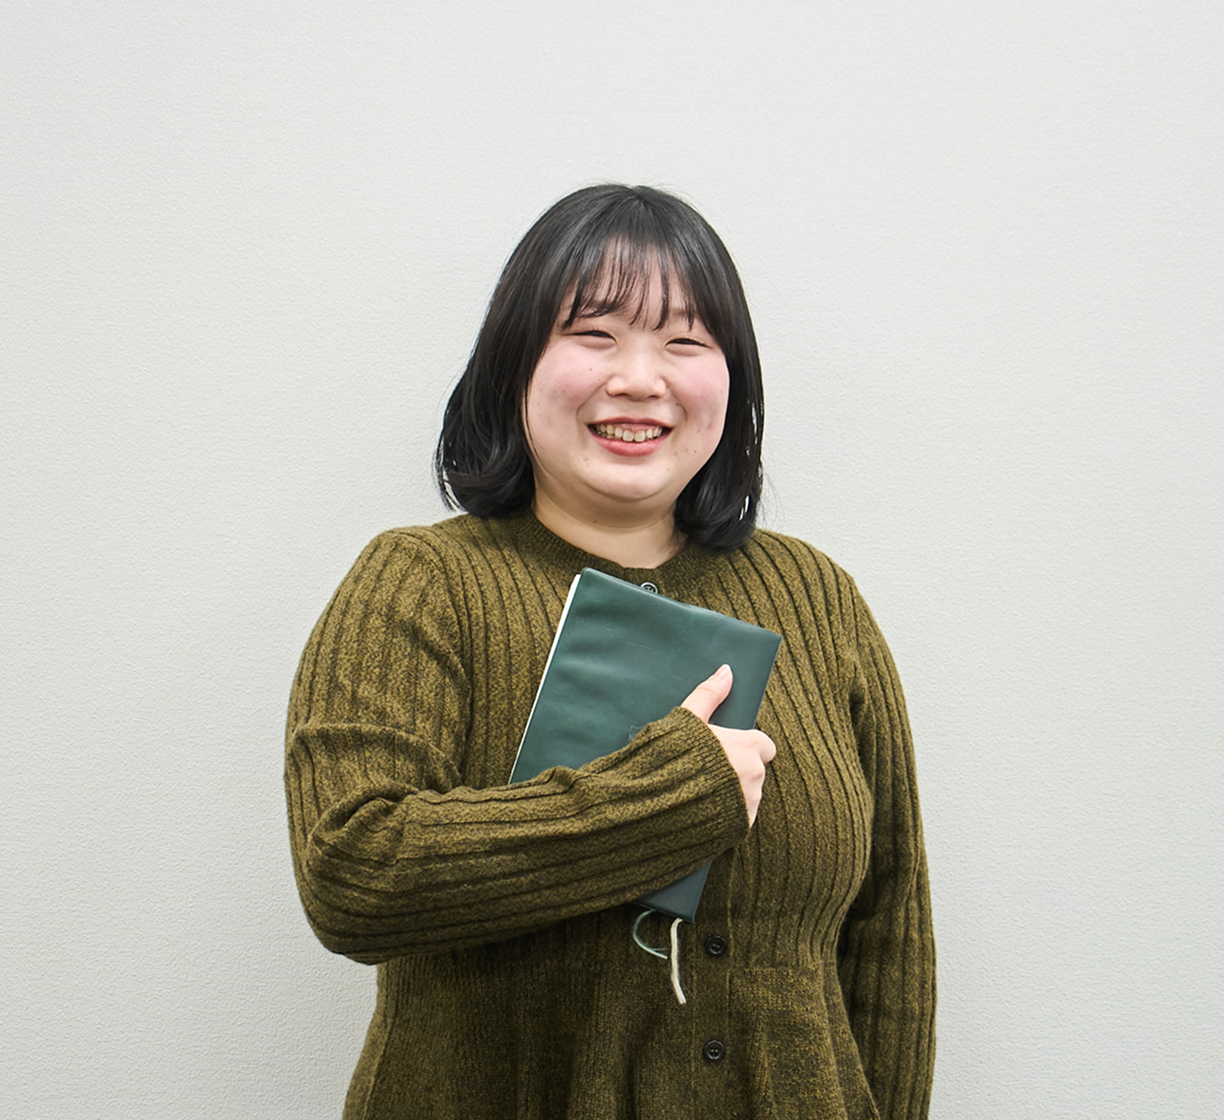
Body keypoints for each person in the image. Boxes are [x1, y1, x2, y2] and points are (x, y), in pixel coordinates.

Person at [285, 184, 934, 1119]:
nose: (639, 379)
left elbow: (889, 929)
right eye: (594, 335)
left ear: (734, 379)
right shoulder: (419, 583)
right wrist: (671, 796)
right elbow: (353, 873)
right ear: (515, 364)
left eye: (685, 342)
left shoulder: (818, 598)